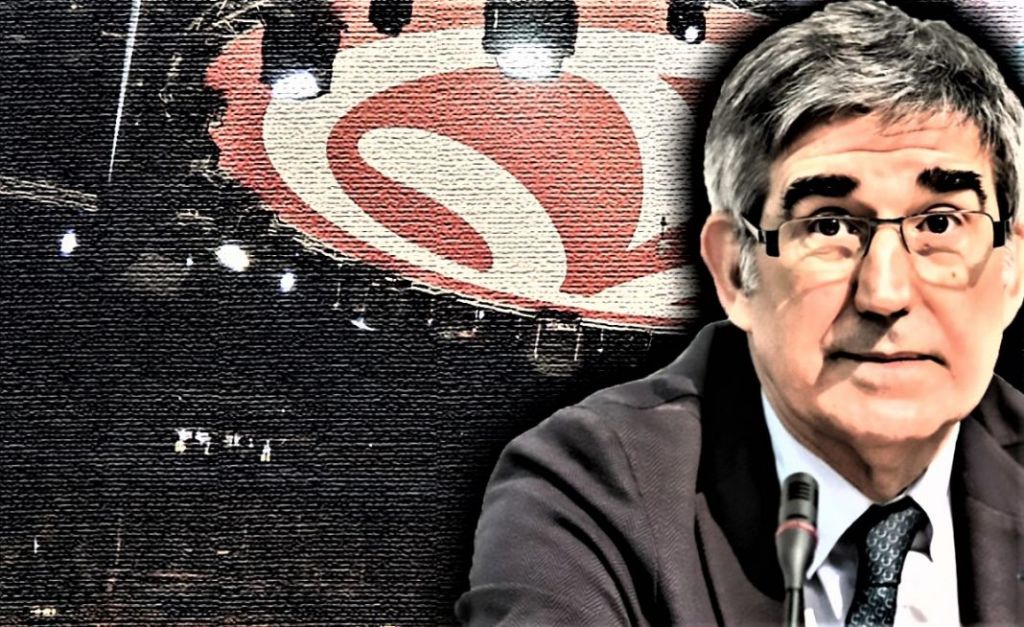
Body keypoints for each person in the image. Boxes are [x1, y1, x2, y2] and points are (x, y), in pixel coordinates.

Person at [456, 1, 1024, 625]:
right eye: (828, 225)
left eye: (940, 223)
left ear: (1012, 268)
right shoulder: (590, 486)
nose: (885, 294)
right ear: (735, 271)